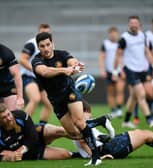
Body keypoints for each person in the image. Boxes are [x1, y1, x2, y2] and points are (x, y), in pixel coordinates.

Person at [31, 32, 101, 165]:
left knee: (79, 122)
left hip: (70, 92)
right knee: (74, 133)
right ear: (38, 47)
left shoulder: (61, 54)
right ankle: (100, 122)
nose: (46, 48)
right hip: (56, 101)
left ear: (52, 43)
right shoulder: (36, 61)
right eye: (42, 46)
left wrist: (75, 65)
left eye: (48, 44)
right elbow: (44, 71)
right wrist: (64, 70)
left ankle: (95, 157)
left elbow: (72, 60)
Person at [73, 102, 153, 160]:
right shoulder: (79, 124)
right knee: (145, 135)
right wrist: (97, 157)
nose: (90, 116)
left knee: (143, 134)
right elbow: (82, 142)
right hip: (109, 148)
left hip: (110, 145)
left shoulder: (79, 124)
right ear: (81, 112)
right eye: (88, 113)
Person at [113, 16, 153, 128]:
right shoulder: (124, 38)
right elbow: (118, 55)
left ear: (139, 24)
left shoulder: (143, 36)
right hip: (130, 70)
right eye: (131, 23)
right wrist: (116, 71)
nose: (133, 25)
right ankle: (150, 119)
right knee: (141, 95)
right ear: (129, 24)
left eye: (135, 23)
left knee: (133, 97)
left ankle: (126, 121)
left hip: (142, 70)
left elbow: (147, 52)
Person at [0, 102, 75, 161]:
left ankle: (84, 136)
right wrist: (8, 157)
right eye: (4, 117)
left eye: (9, 114)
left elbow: (33, 137)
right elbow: (2, 155)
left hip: (36, 135)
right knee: (65, 154)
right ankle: (78, 154)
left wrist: (18, 152)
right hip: (30, 152)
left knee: (60, 131)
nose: (9, 118)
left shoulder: (20, 115)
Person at [19, 24, 52, 124]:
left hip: (40, 78)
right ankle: (21, 125)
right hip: (28, 76)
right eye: (43, 32)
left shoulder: (49, 45)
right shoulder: (32, 44)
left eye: (47, 33)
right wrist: (35, 69)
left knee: (49, 104)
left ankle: (41, 128)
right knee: (35, 98)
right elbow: (22, 59)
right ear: (38, 33)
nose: (45, 35)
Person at [99, 27, 125, 118]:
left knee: (120, 91)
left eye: (115, 33)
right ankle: (113, 110)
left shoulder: (121, 44)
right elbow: (101, 57)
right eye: (111, 34)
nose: (113, 35)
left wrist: (123, 70)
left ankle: (119, 109)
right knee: (110, 93)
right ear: (109, 34)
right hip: (109, 71)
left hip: (119, 71)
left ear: (117, 34)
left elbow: (122, 57)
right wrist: (102, 70)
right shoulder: (105, 44)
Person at [0, 44, 24, 111]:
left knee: (14, 114)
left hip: (7, 86)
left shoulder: (6, 53)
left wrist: (20, 98)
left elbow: (17, 75)